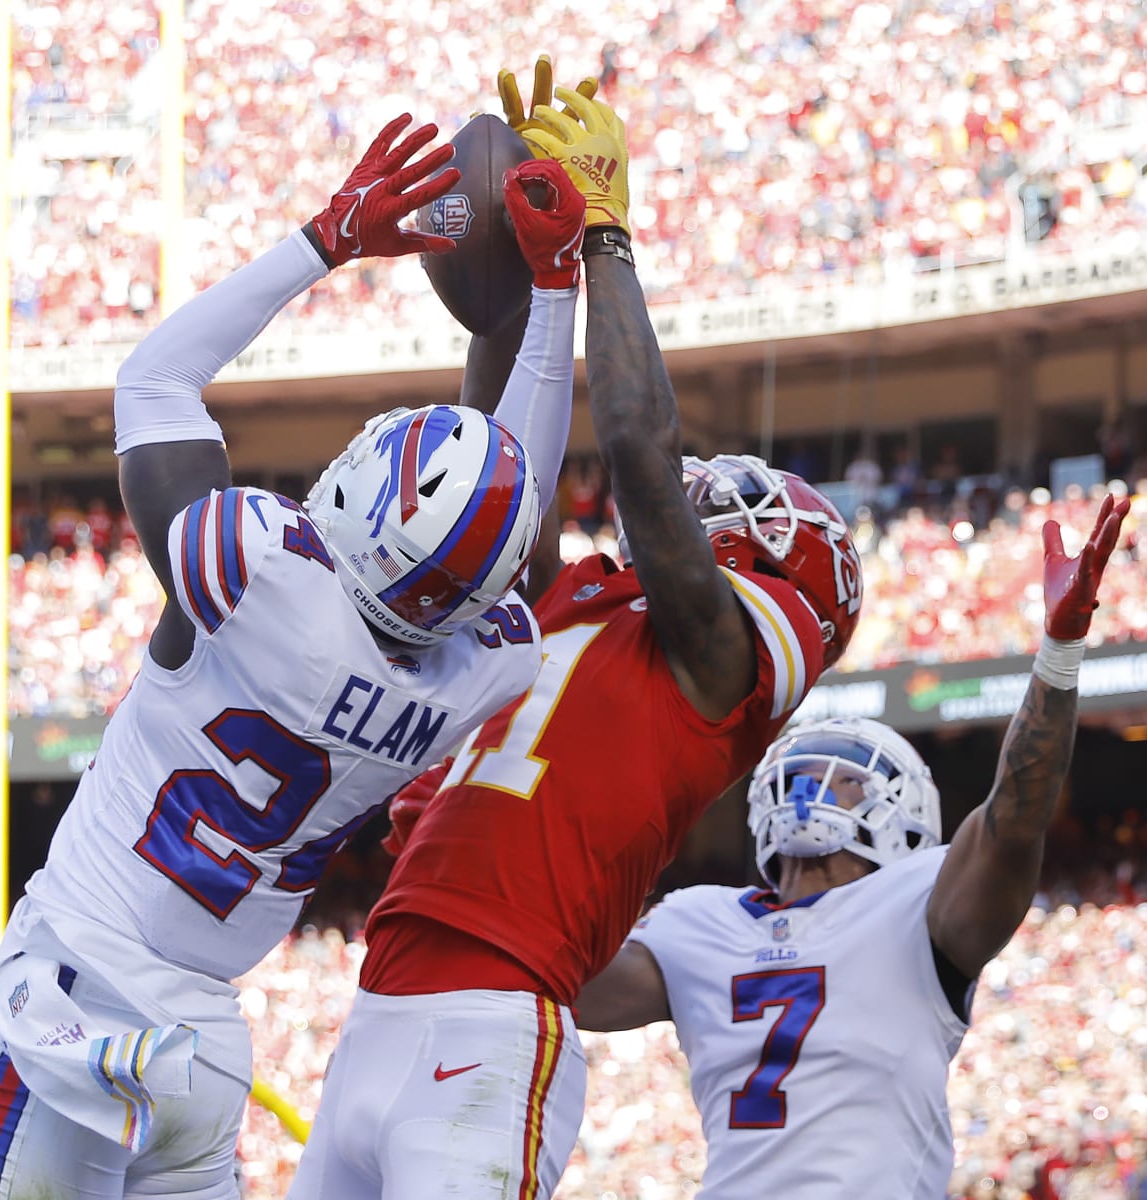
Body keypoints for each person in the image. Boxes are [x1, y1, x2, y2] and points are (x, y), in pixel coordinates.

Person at [0, 115, 591, 1200]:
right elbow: (511, 522)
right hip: (203, 1050)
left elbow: (153, 382)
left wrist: (323, 241)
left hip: (76, 1006)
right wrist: (557, 297)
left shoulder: (258, 572)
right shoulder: (476, 672)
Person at [284, 64, 864, 1200]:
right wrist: (525, 293)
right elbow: (500, 482)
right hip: (382, 1002)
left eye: (744, 510)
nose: (714, 496)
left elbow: (643, 457)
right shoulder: (588, 605)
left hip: (496, 1023)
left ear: (780, 572)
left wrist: (607, 242)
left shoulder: (721, 667)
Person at [572, 491, 1130, 1198]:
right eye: (804, 770)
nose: (816, 786)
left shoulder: (920, 905)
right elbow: (569, 985)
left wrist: (1059, 653)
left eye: (844, 777)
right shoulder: (697, 922)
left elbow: (1017, 813)